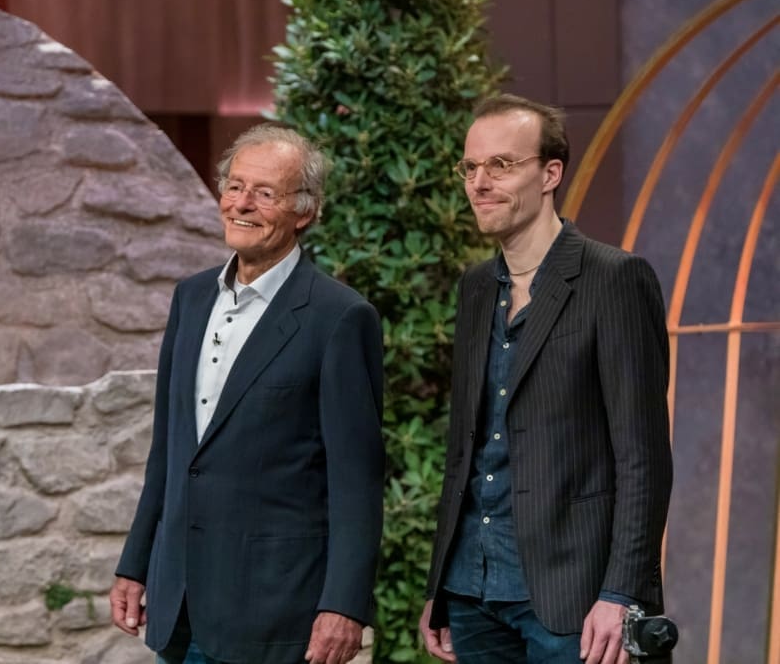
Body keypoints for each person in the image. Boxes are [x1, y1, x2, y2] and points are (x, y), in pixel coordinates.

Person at [110, 124, 385, 664]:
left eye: (265, 193)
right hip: (180, 604)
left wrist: (345, 606)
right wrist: (135, 563)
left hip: (277, 614)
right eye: (235, 187)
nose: (243, 204)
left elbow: (356, 481)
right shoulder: (189, 299)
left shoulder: (340, 318)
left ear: (303, 212)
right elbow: (168, 455)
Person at [418, 94, 673, 664]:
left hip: (578, 603)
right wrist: (441, 585)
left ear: (551, 173)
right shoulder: (476, 288)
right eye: (471, 167)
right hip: (474, 591)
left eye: (502, 165)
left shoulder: (614, 279)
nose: (480, 182)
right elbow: (467, 449)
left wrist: (621, 595)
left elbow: (644, 457)